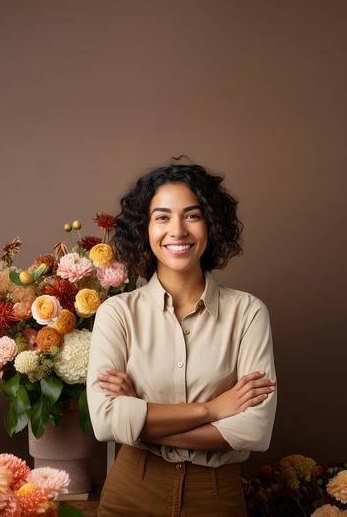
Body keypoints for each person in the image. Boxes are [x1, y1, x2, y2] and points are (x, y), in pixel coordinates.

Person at [87, 160, 277, 516]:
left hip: (217, 496)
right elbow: (105, 422)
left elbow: (254, 429)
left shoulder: (248, 313)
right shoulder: (117, 313)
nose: (177, 230)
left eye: (192, 215)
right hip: (131, 492)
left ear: (211, 225)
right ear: (145, 229)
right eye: (162, 217)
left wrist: (139, 421)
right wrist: (213, 410)